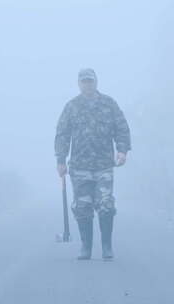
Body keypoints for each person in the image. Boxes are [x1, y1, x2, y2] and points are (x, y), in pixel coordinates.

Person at [54, 68, 131, 260]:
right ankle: (86, 247)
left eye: (90, 80)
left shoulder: (109, 104)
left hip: (104, 165)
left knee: (106, 204)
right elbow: (62, 134)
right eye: (84, 81)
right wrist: (61, 160)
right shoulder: (71, 107)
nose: (87, 84)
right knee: (82, 206)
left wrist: (122, 151)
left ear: (96, 82)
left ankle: (106, 247)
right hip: (79, 166)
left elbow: (121, 128)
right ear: (79, 84)